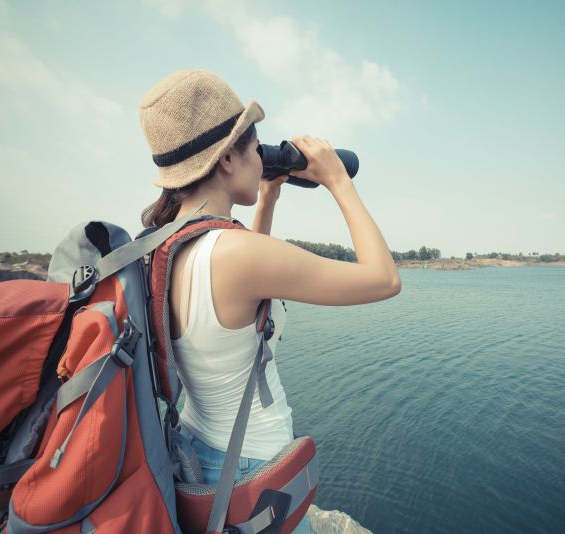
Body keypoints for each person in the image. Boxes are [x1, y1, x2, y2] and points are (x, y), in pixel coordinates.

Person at [138, 69, 401, 533]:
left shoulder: (162, 245)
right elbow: (384, 279)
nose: (261, 158)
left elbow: (240, 301)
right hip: (249, 472)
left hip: (198, 453)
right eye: (254, 147)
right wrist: (339, 181)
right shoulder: (237, 255)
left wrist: (267, 199)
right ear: (226, 160)